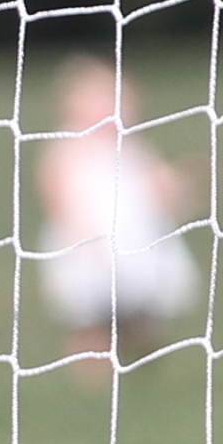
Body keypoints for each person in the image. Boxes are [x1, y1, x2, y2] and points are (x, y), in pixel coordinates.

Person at [32, 56, 200, 380]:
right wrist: (80, 234)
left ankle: (139, 357)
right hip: (88, 242)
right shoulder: (68, 147)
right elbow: (55, 190)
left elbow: (157, 187)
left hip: (137, 241)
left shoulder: (133, 147)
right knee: (91, 318)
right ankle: (91, 371)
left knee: (141, 310)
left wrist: (181, 184)